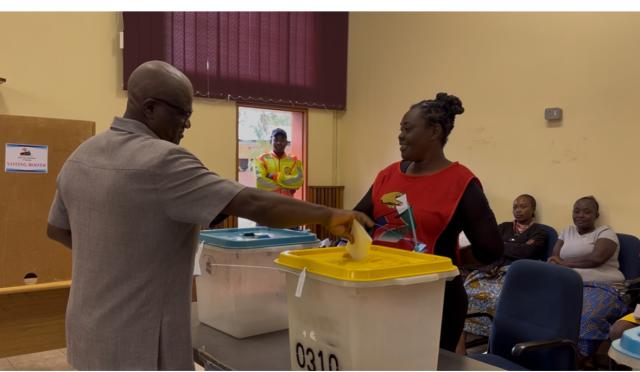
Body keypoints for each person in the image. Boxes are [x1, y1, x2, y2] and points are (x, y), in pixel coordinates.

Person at [46, 60, 372, 371]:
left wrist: (114, 257)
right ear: (149, 108)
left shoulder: (81, 154)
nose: (187, 124)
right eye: (182, 114)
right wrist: (330, 215)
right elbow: (253, 204)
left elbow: (56, 229)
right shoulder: (164, 161)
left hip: (88, 329)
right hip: (141, 340)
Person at [353, 92, 504, 353]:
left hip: (434, 300)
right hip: (381, 293)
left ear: (434, 131)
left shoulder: (461, 183)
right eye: (400, 128)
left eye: (407, 128)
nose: (400, 135)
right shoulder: (388, 175)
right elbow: (358, 221)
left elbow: (491, 249)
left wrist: (448, 261)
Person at [547, 196, 627, 361]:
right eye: (576, 211)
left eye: (587, 211)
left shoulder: (605, 232)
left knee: (585, 318)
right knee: (543, 309)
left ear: (596, 215)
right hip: (569, 285)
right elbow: (554, 257)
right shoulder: (566, 231)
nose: (580, 215)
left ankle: (576, 360)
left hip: (603, 286)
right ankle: (546, 354)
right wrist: (559, 264)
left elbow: (596, 259)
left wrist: (563, 264)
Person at [463, 194, 548, 339]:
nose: (518, 210)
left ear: (533, 209)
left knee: (497, 298)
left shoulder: (540, 231)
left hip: (516, 274)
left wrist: (502, 246)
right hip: (491, 270)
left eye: (523, 206)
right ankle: (465, 337)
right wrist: (514, 247)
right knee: (466, 291)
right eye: (515, 207)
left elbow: (527, 252)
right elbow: (489, 248)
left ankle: (496, 337)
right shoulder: (504, 227)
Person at [255, 128, 303, 197]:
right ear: (270, 141)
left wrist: (275, 176)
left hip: (287, 202)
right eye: (276, 140)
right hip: (268, 202)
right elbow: (260, 182)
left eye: (282, 140)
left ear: (286, 142)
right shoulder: (262, 159)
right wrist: (286, 185)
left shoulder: (294, 160)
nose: (279, 142)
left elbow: (298, 181)